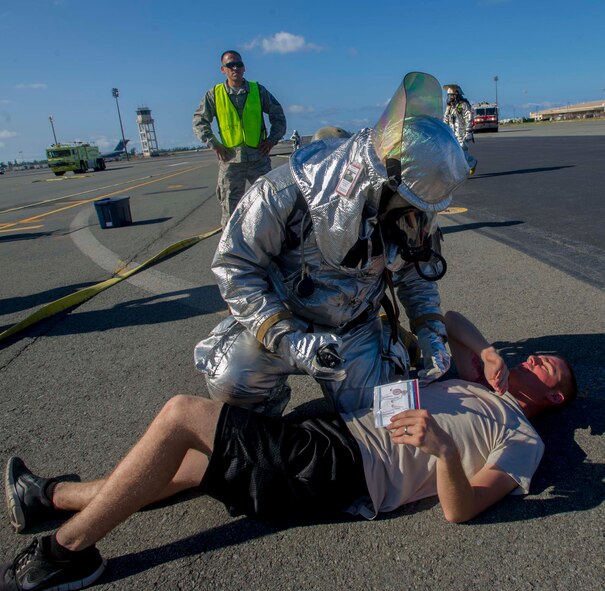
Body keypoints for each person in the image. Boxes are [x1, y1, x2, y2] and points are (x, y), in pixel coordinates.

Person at [1, 311, 577, 590]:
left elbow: (463, 509)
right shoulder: (481, 378)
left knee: (182, 416)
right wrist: (491, 351)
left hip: (345, 470)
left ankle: (65, 553)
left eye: (545, 365)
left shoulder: (522, 438)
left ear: (553, 393)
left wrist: (445, 452)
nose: (533, 360)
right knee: (191, 466)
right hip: (337, 433)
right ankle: (47, 497)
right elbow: (447, 319)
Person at [194, 72, 469, 416]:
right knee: (232, 378)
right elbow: (235, 265)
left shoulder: (411, 200)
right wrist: (286, 338)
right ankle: (266, 427)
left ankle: (386, 341)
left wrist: (430, 330)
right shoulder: (281, 193)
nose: (418, 216)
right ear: (384, 182)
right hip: (286, 322)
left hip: (354, 327)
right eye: (412, 206)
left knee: (381, 416)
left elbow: (415, 272)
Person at [192, 50, 287, 227]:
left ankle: (270, 245)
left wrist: (272, 140)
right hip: (230, 161)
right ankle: (232, 250)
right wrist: (214, 144)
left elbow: (278, 116)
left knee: (269, 203)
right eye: (230, 65)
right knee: (230, 209)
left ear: (244, 68)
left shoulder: (258, 91)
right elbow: (199, 121)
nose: (235, 68)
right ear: (223, 69)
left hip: (258, 158)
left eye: (238, 64)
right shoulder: (214, 94)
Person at [443, 84, 477, 175]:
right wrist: (444, 129)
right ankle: (459, 171)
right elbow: (445, 119)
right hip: (452, 134)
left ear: (456, 94)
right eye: (448, 95)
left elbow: (469, 118)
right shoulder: (449, 107)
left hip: (462, 133)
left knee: (462, 152)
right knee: (453, 153)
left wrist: (469, 131)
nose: (449, 97)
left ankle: (472, 162)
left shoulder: (463, 105)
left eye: (451, 95)